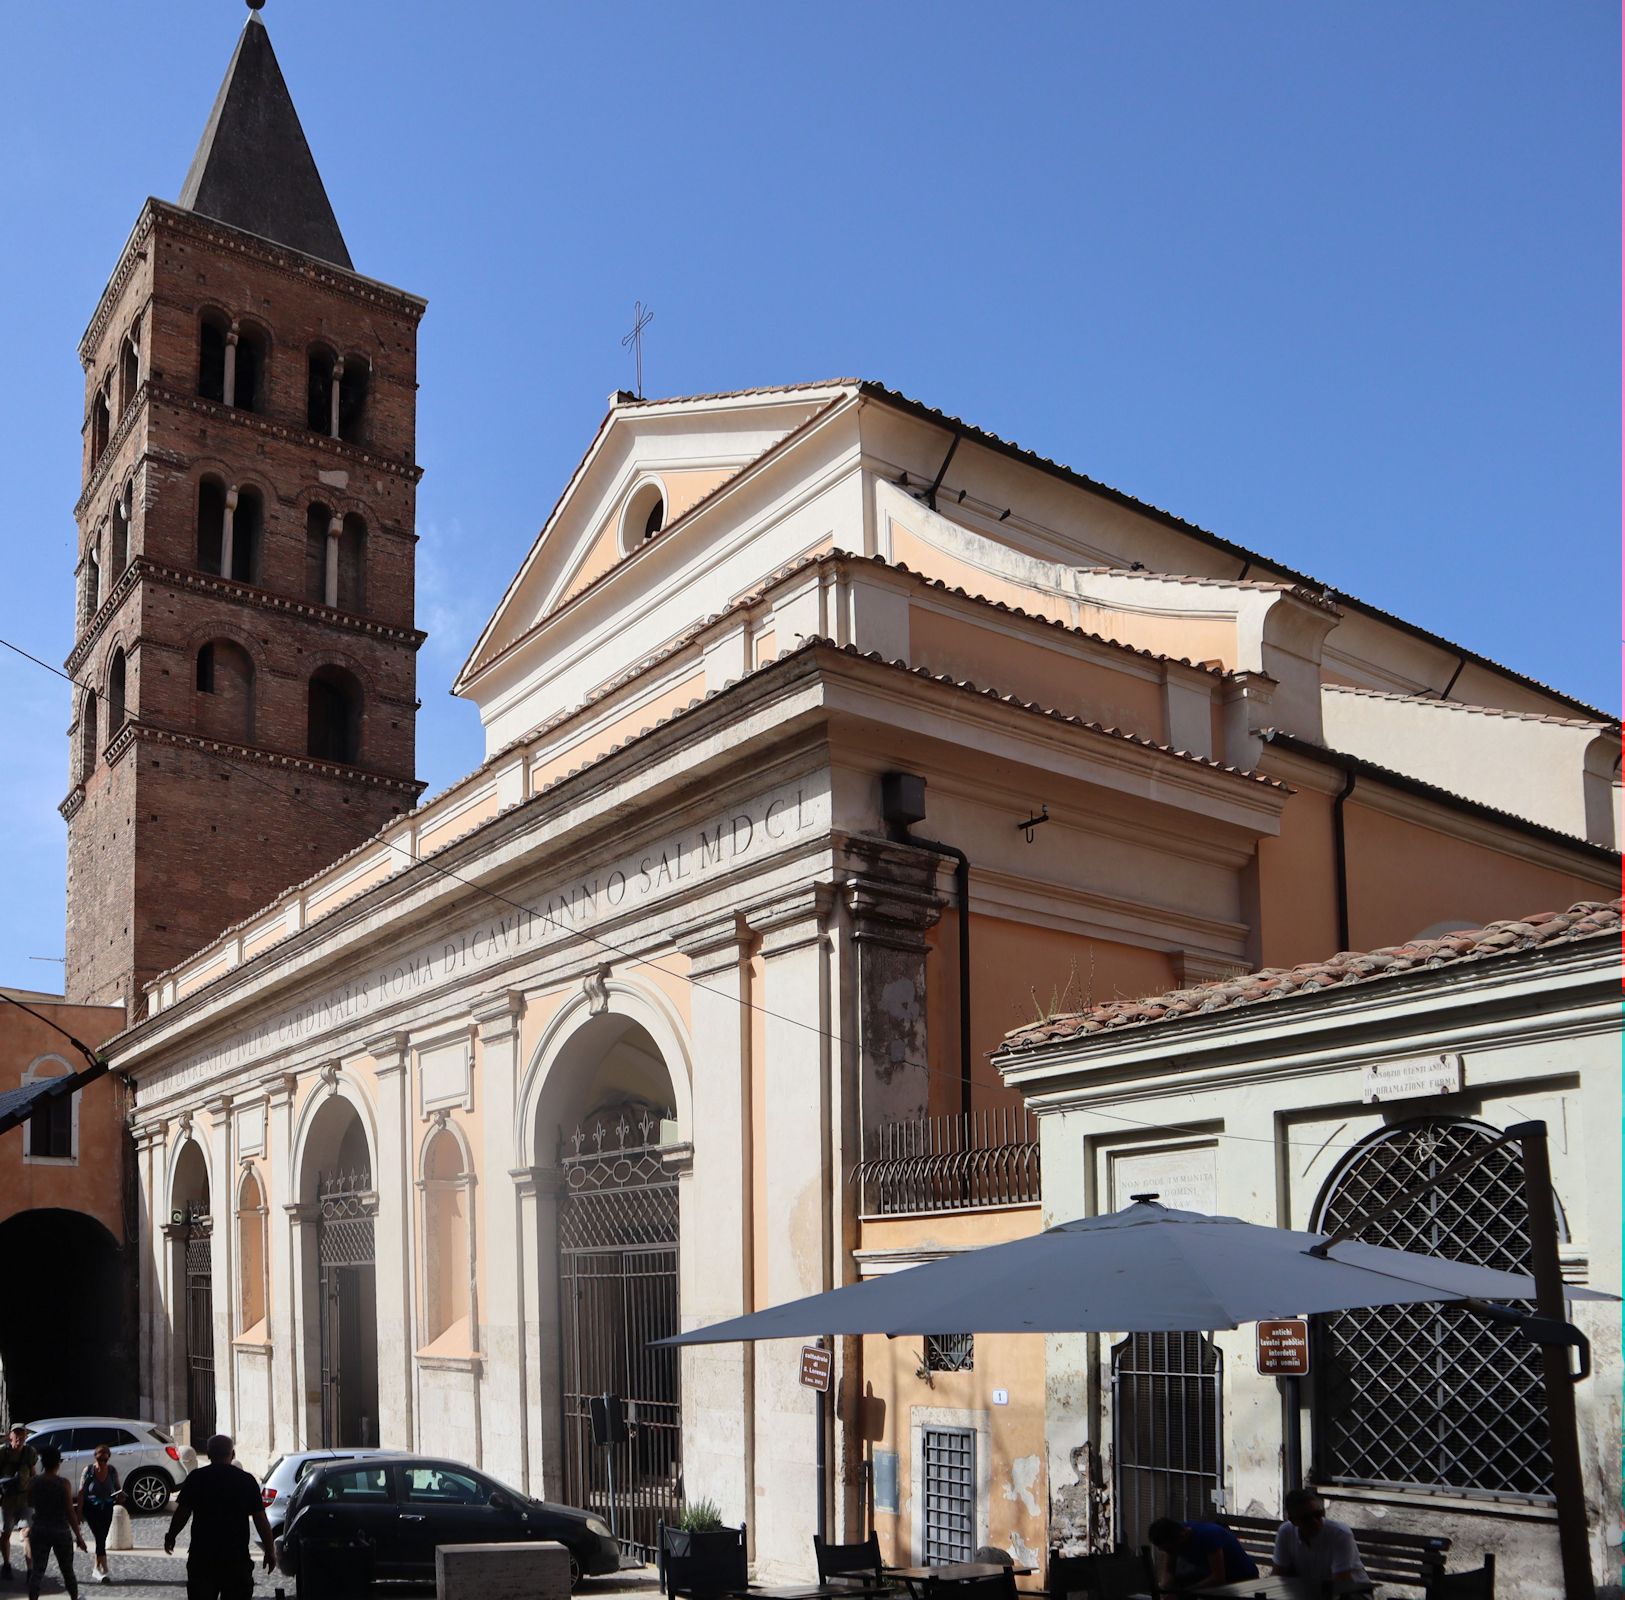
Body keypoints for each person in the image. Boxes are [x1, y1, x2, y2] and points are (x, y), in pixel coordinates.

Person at [163, 1434, 275, 1600]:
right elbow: (260, 1518)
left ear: (208, 1454)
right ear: (233, 1454)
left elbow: (182, 1513)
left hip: (202, 1557)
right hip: (236, 1558)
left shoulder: (197, 1478)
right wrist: (269, 1550)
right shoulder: (246, 1481)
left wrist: (171, 1536)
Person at [1272, 1487, 1370, 1591]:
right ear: (1293, 1520)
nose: (1314, 1521)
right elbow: (1278, 1574)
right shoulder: (1286, 1532)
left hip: (1353, 1592)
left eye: (1318, 1514)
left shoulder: (1339, 1534)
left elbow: (1341, 1583)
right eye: (1306, 1518)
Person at [25, 1443, 85, 1600]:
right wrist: (78, 1536)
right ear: (58, 1463)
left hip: (39, 1529)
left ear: (43, 1463)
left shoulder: (34, 1482)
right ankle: (74, 1598)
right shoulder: (63, 1483)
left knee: (37, 1571)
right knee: (67, 1571)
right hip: (60, 1530)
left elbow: (29, 1502)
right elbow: (70, 1512)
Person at [1147, 1515, 1260, 1592]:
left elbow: (1218, 1579)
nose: (1170, 1553)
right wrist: (1165, 1587)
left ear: (1181, 1538)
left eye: (1170, 1550)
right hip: (1211, 1577)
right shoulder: (1174, 1534)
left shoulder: (1208, 1536)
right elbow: (1168, 1571)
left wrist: (1184, 1593)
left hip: (1242, 1580)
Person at [77, 1443, 122, 1585]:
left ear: (109, 1457)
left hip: (107, 1507)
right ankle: (104, 1569)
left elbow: (118, 1488)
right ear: (95, 1456)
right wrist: (79, 1513)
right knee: (100, 1536)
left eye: (105, 1456)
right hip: (91, 1509)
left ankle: (96, 1568)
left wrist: (121, 1496)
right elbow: (81, 1492)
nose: (102, 1459)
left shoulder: (112, 1471)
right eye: (100, 1455)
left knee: (101, 1537)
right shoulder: (88, 1470)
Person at [0, 1425, 38, 1583]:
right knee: (5, 1533)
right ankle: (7, 1564)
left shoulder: (29, 1453)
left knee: (27, 1534)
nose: (20, 1438)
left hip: (25, 1499)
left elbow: (33, 1473)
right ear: (10, 1436)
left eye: (23, 1435)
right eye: (17, 1435)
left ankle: (30, 1570)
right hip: (6, 1500)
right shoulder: (2, 1452)